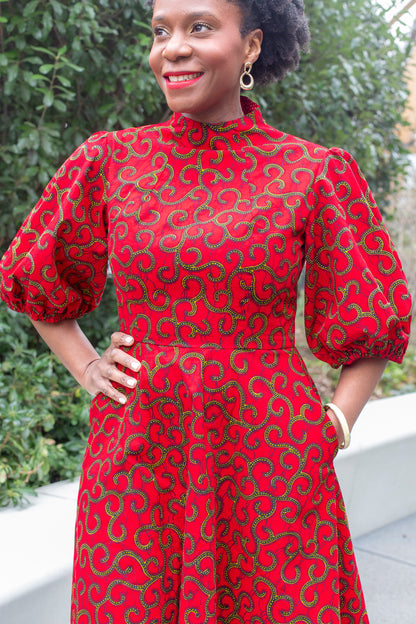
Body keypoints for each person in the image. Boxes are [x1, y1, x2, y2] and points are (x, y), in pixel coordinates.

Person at [0, 0, 412, 622]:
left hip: (271, 455)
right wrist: (87, 368)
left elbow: (370, 319)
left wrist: (330, 428)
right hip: (140, 449)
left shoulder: (312, 172)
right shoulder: (112, 161)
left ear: (251, 46)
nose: (174, 47)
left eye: (199, 27)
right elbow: (37, 274)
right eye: (161, 31)